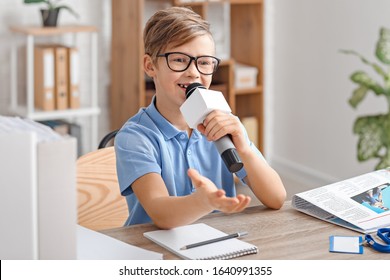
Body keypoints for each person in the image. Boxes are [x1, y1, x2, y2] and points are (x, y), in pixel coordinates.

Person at [115, 6, 286, 229]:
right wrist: (202, 202)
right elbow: (161, 213)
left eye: (204, 62)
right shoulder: (135, 137)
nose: (193, 73)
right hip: (154, 250)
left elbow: (276, 197)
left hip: (215, 244)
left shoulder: (224, 123)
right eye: (178, 60)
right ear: (150, 66)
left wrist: (243, 148)